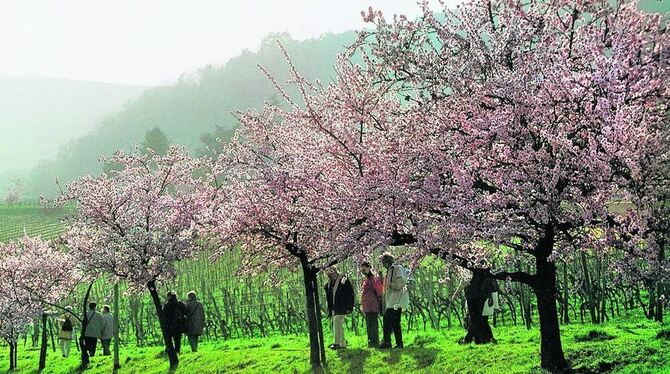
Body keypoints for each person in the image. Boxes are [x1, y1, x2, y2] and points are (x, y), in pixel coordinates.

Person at [379, 252, 409, 349]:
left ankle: (392, 343)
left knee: (390, 321)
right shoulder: (389, 271)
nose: (382, 264)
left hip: (397, 301)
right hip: (392, 301)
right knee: (392, 322)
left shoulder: (397, 268)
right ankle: (393, 343)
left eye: (383, 262)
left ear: (387, 261)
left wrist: (392, 285)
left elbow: (401, 282)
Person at [461, 270, 499, 344]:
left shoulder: (472, 274)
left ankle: (479, 340)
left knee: (477, 321)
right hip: (486, 300)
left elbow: (467, 287)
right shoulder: (488, 275)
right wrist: (496, 305)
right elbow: (495, 289)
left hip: (482, 300)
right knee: (480, 321)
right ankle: (485, 339)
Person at [324, 266, 354, 349]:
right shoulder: (330, 282)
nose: (328, 274)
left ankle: (336, 343)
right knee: (338, 324)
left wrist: (349, 307)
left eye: (330, 272)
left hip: (343, 306)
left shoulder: (343, 279)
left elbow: (350, 293)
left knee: (336, 320)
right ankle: (342, 343)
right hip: (335, 307)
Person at [360, 261, 383, 347]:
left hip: (373, 306)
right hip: (367, 307)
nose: (363, 271)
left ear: (369, 268)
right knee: (369, 325)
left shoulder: (374, 279)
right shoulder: (366, 280)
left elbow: (380, 291)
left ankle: (375, 342)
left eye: (364, 269)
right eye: (362, 270)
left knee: (373, 324)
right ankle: (371, 342)